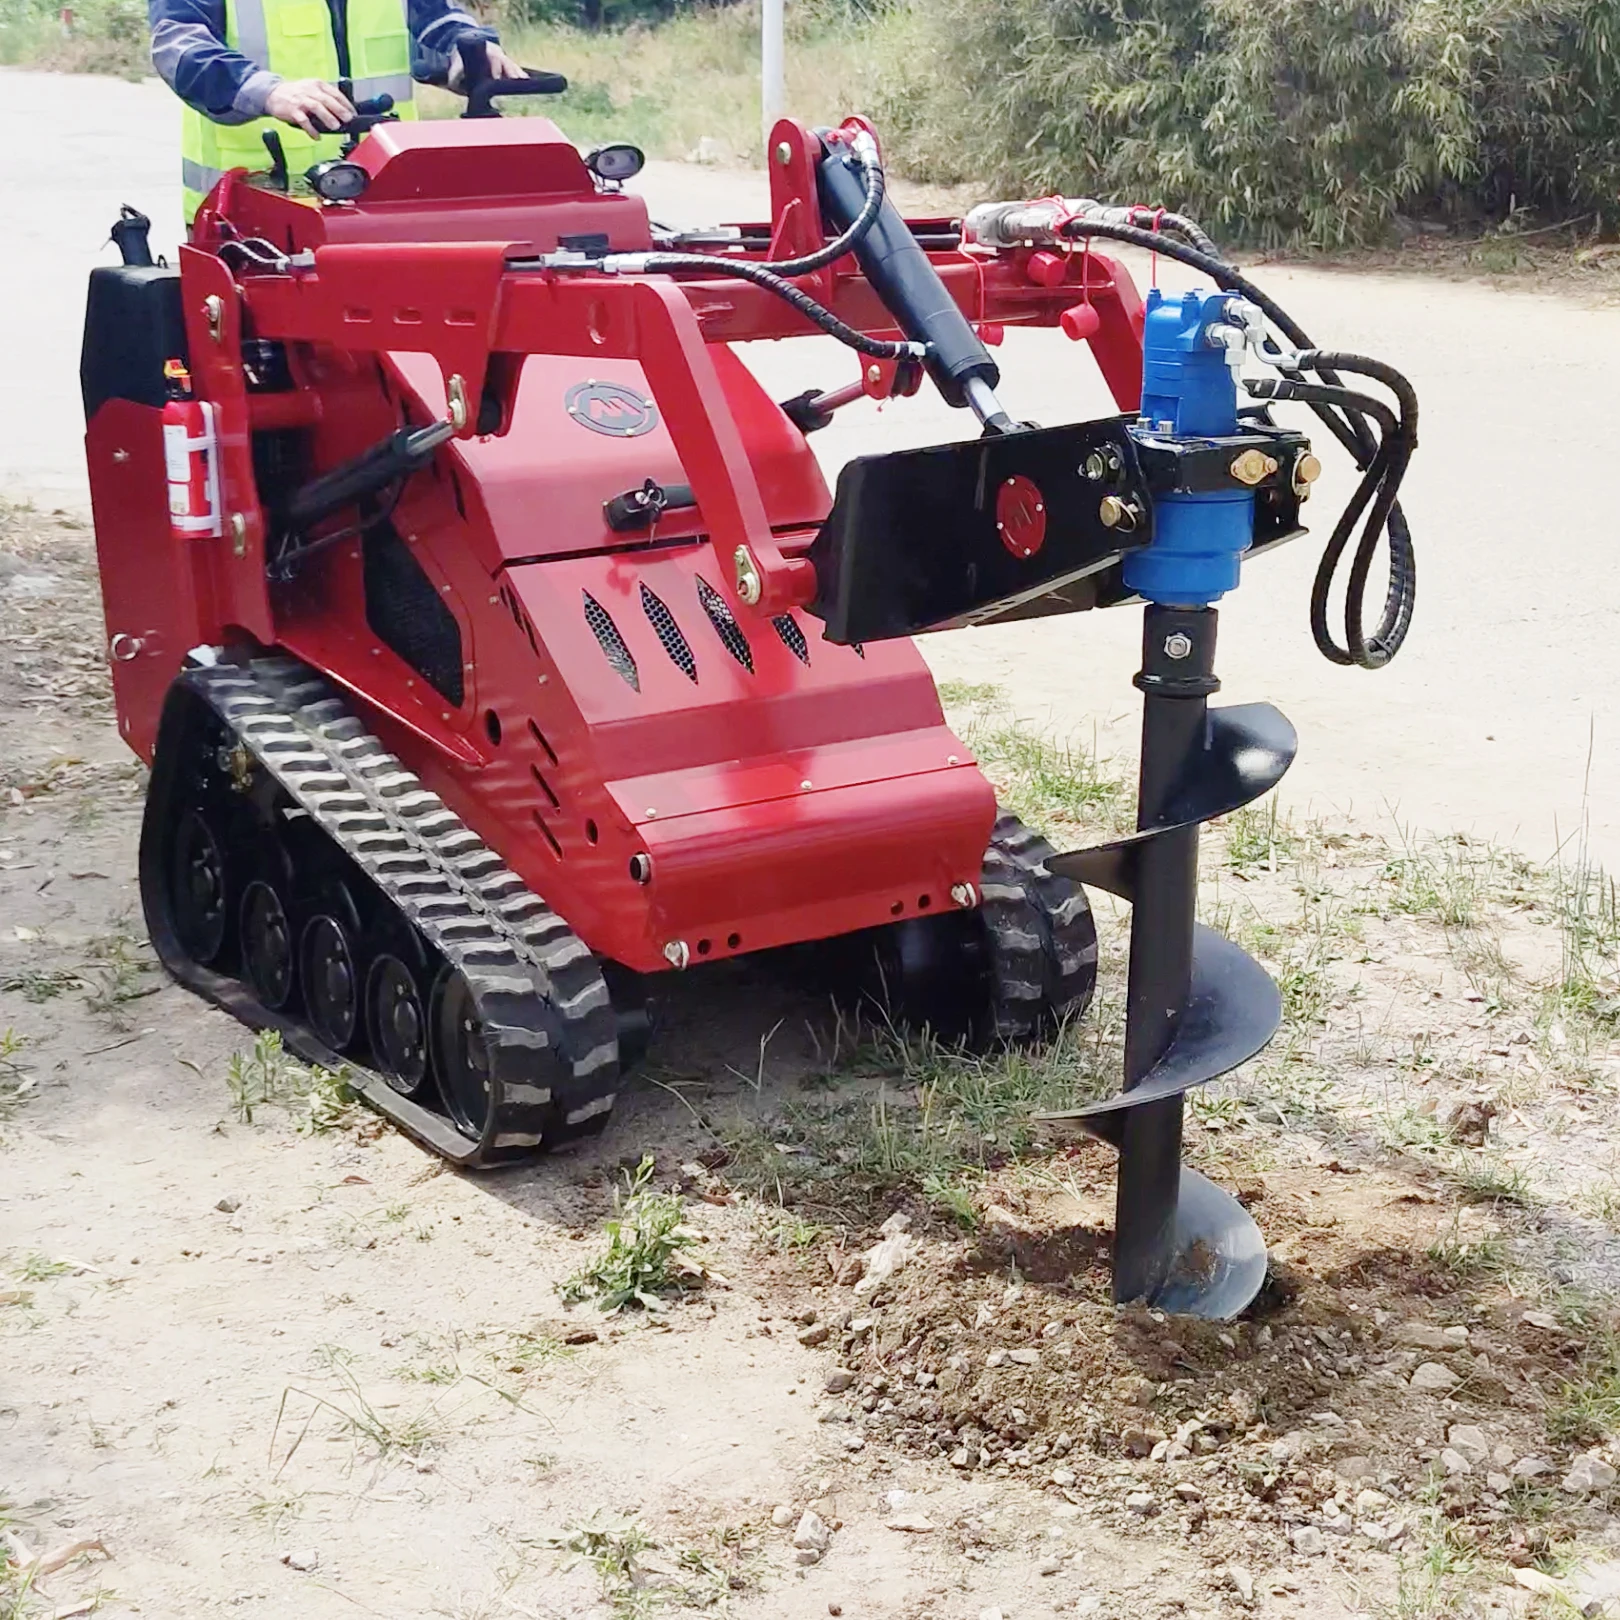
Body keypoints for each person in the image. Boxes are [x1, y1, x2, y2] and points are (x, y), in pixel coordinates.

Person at [149, 0, 527, 219]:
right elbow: (178, 46)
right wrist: (268, 92)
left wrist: (467, 48)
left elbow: (436, 15)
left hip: (387, 199)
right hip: (251, 212)